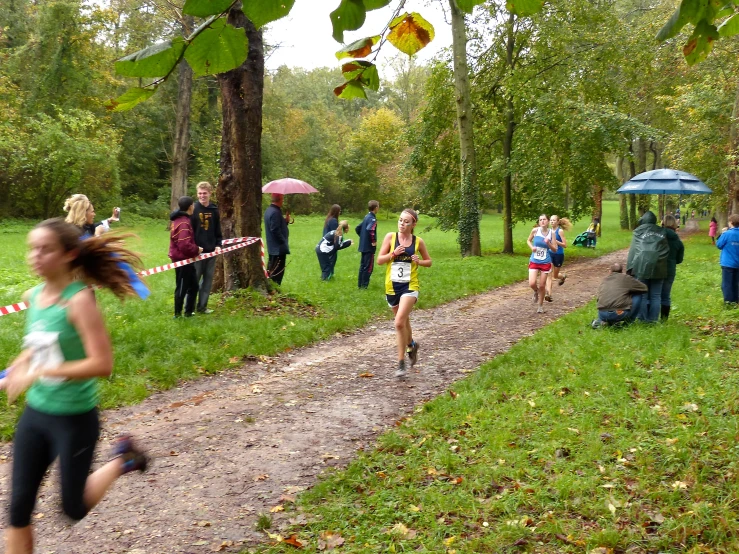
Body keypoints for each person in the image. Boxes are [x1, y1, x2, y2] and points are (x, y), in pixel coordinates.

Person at [1, 218, 148, 554]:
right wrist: (20, 364)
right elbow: (39, 344)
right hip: (35, 415)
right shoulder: (33, 296)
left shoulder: (80, 300)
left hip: (74, 420)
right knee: (18, 509)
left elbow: (101, 364)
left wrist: (36, 373)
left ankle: (123, 459)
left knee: (73, 508)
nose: (34, 256)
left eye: (45, 249)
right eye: (32, 249)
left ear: (68, 254)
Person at [377, 209, 432, 379]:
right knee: (404, 321)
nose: (402, 224)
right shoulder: (390, 238)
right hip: (392, 287)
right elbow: (379, 260)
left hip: (410, 286)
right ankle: (412, 344)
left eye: (406, 221)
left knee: (399, 323)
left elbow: (428, 262)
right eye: (400, 220)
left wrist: (419, 261)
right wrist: (393, 254)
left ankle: (400, 362)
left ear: (414, 224)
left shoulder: (418, 242)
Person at [626, 210, 669, 323]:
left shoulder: (638, 232)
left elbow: (633, 251)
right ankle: (653, 320)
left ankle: (642, 319)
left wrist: (629, 268)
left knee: (642, 294)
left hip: (640, 266)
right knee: (656, 295)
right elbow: (666, 250)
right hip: (659, 266)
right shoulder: (663, 231)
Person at [192, 182, 222, 314]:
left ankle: (202, 307)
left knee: (207, 281)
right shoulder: (192, 209)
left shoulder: (214, 210)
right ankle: (190, 307)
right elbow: (189, 231)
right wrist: (193, 248)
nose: (202, 196)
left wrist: (218, 245)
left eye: (204, 193)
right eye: (199, 193)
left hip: (211, 252)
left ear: (210, 193)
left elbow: (217, 231)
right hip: (196, 252)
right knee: (194, 280)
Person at [169, 196, 202, 318]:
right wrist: (197, 250)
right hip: (182, 260)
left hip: (187, 259)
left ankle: (189, 312)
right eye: (193, 205)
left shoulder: (182, 219)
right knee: (182, 287)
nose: (194, 207)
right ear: (190, 206)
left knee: (194, 286)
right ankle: (177, 314)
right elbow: (184, 245)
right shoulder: (182, 222)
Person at [591, 262, 648, 328]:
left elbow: (598, 298)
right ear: (622, 271)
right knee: (638, 295)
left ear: (610, 271)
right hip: (619, 313)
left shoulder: (604, 280)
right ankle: (629, 322)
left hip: (602, 314)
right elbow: (644, 288)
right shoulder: (626, 278)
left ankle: (604, 322)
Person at [526, 214, 558, 313]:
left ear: (548, 221)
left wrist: (548, 243)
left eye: (544, 219)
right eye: (540, 220)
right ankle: (535, 291)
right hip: (534, 260)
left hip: (545, 261)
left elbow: (555, 249)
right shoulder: (535, 230)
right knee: (532, 283)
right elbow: (528, 240)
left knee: (542, 285)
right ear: (539, 222)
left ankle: (540, 306)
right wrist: (532, 248)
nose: (542, 221)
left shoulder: (551, 233)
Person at [661, 214, 684, 321]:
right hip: (670, 269)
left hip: (657, 268)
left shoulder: (658, 237)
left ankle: (650, 317)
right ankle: (664, 319)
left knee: (654, 294)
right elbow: (679, 260)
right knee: (665, 295)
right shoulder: (678, 241)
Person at [545, 215, 572, 302]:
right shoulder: (548, 231)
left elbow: (565, 245)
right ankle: (548, 294)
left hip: (559, 254)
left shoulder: (560, 231)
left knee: (555, 276)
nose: (552, 222)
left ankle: (562, 276)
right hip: (550, 253)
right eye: (551, 220)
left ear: (557, 222)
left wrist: (554, 240)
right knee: (549, 275)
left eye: (553, 220)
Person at [264, 193, 290, 285]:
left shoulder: (269, 210)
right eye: (282, 198)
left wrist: (285, 221)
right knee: (277, 271)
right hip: (277, 248)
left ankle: (271, 285)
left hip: (273, 247)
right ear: (280, 199)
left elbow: (276, 226)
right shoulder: (275, 212)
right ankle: (275, 287)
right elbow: (275, 229)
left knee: (271, 268)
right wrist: (282, 240)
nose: (283, 200)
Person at [717, 214, 739, 306]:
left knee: (727, 284)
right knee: (736, 283)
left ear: (731, 223)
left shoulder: (726, 234)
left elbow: (719, 245)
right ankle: (736, 301)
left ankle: (729, 302)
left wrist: (722, 233)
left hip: (728, 263)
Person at [357, 200, 379, 289]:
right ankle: (364, 286)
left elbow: (358, 228)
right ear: (376, 208)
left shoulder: (366, 217)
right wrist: (373, 241)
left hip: (363, 246)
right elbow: (371, 230)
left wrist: (363, 237)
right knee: (368, 267)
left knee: (363, 266)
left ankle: (360, 284)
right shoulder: (373, 219)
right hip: (369, 247)